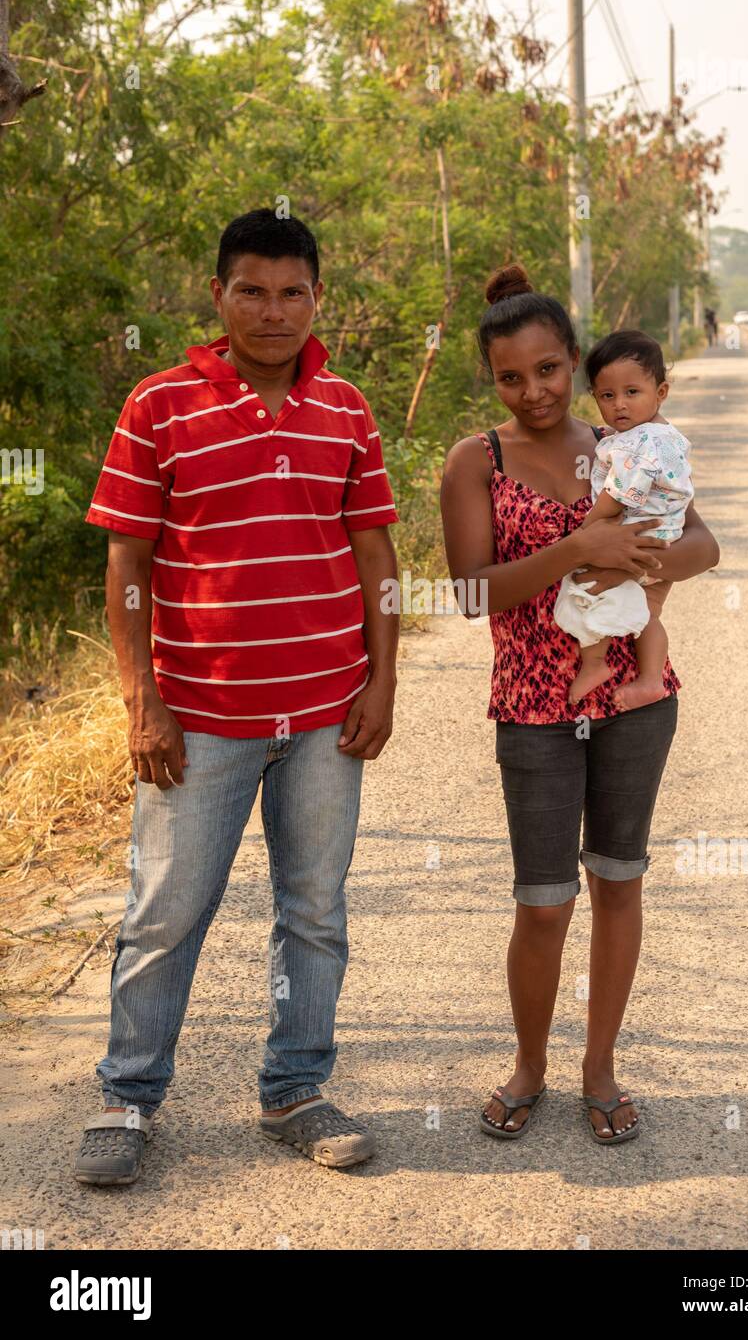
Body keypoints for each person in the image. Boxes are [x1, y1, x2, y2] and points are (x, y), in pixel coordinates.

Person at [75, 208, 399, 1185]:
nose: (272, 310)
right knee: (166, 910)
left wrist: (384, 679)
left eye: (291, 291)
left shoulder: (345, 407)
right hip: (199, 721)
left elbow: (376, 550)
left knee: (314, 909)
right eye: (251, 290)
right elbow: (127, 560)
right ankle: (128, 1098)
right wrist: (142, 701)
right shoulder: (160, 406)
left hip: (324, 719)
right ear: (218, 295)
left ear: (317, 299)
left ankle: (295, 1088)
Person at [440, 264, 719, 1144]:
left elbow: (702, 544)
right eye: (510, 377)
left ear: (573, 362)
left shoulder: (627, 438)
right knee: (542, 899)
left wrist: (627, 562)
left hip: (637, 700)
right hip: (531, 705)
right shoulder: (472, 462)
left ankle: (600, 1069)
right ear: (492, 381)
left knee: (618, 883)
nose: (534, 392)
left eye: (550, 370)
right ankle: (531, 1065)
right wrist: (576, 548)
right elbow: (473, 596)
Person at [555, 330, 693, 712]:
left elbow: (618, 495)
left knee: (586, 581)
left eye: (632, 392)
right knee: (648, 613)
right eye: (607, 395)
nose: (619, 405)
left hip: (640, 536)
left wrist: (587, 528)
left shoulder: (641, 440)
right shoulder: (663, 434)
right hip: (661, 539)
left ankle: (595, 662)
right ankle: (650, 679)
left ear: (661, 392)